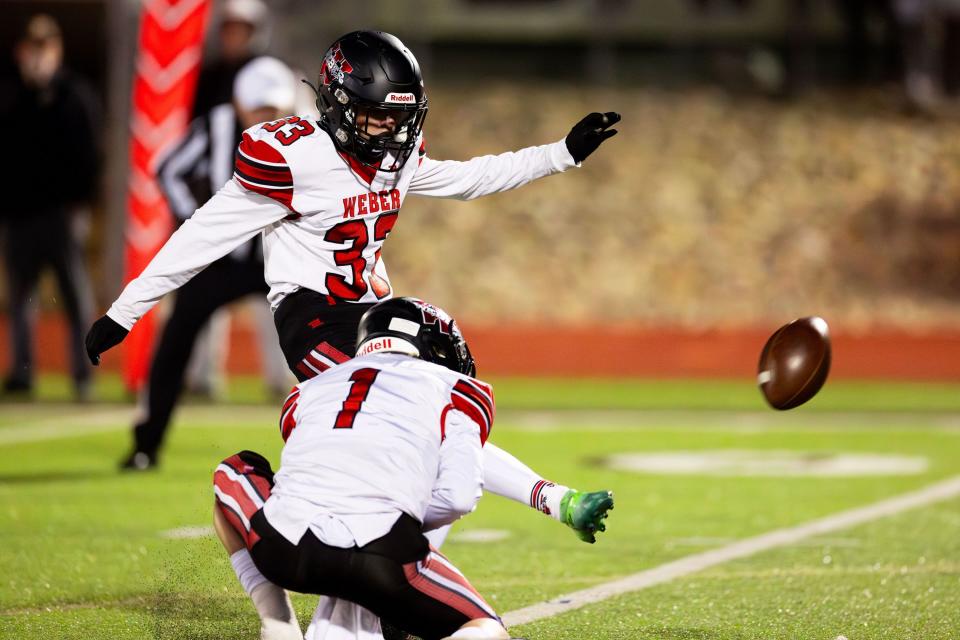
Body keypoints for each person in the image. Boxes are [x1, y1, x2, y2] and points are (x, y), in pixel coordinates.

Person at [86, 27, 614, 545]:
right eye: (377, 113)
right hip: (312, 318)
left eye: (399, 115)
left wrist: (560, 153)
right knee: (421, 409)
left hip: (371, 315)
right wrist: (125, 311)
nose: (390, 128)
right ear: (338, 104)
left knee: (443, 396)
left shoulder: (394, 155)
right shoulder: (293, 158)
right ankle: (546, 501)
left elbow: (469, 179)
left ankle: (425, 551)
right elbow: (199, 238)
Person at [212, 298, 612, 640]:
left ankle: (277, 620)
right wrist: (401, 515)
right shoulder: (454, 387)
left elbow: (311, 466)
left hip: (283, 549)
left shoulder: (307, 391)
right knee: (485, 628)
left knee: (234, 471)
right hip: (380, 557)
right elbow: (458, 495)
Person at [120, 57, 296, 470]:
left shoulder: (302, 135)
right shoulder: (214, 127)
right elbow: (168, 169)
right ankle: (147, 444)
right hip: (218, 262)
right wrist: (194, 216)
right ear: (237, 102)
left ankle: (341, 445)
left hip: (277, 259)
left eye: (272, 110)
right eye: (258, 109)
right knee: (175, 343)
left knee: (316, 338)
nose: (264, 119)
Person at [1, 14, 101, 400]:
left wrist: (80, 204)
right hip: (20, 216)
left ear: (56, 51)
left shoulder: (76, 95)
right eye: (32, 49)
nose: (38, 57)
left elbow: (91, 155)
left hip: (63, 213)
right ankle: (22, 372)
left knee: (74, 295)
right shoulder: (10, 97)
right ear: (21, 52)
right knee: (20, 298)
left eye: (45, 48)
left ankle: (82, 372)